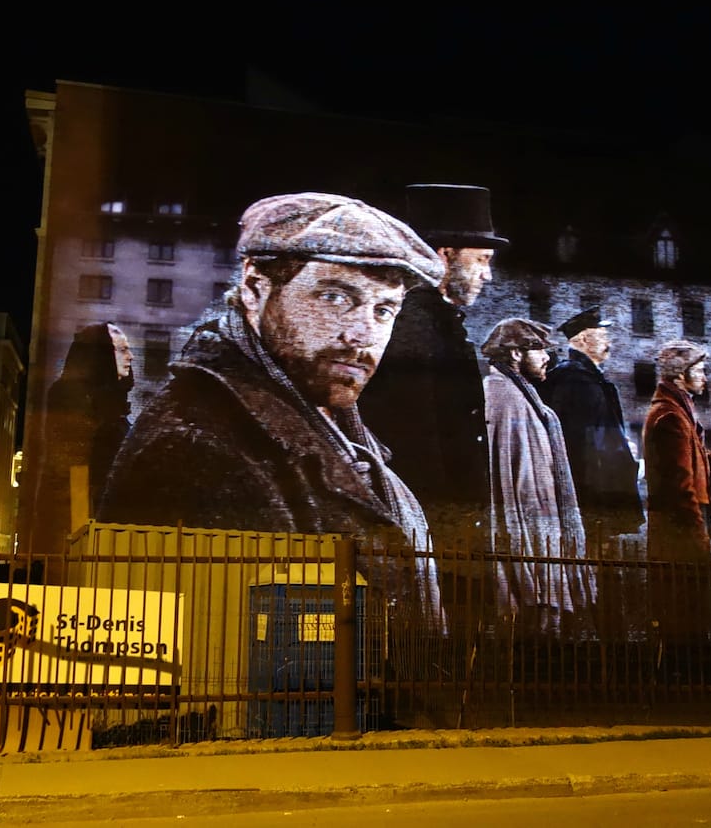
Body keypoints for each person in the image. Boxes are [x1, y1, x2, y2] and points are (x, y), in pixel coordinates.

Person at [97, 192, 447, 616]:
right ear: (254, 290)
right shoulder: (198, 446)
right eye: (335, 298)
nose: (362, 335)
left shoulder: (330, 424)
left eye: (384, 310)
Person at [358, 183, 507, 633]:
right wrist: (451, 530)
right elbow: (416, 439)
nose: (488, 276)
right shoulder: (416, 327)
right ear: (444, 255)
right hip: (435, 527)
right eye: (481, 260)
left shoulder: (430, 321)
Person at [479, 317, 592, 637]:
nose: (547, 358)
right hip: (524, 523)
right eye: (539, 350)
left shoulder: (523, 394)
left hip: (540, 520)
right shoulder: (500, 394)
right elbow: (503, 467)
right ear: (515, 354)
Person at [538, 305, 644, 553]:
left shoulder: (590, 377)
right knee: (595, 554)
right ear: (584, 339)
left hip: (602, 488)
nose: (608, 341)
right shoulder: (575, 380)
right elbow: (579, 444)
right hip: (593, 492)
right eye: (601, 334)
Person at [642, 340, 711, 650]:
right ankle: (685, 663)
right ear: (679, 376)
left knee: (688, 600)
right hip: (679, 526)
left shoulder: (679, 410)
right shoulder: (670, 416)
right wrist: (697, 529)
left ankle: (687, 656)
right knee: (682, 601)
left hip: (681, 522)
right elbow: (679, 483)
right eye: (698, 371)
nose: (704, 378)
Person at [35, 322, 135, 548]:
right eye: (121, 350)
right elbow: (73, 468)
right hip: (79, 526)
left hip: (104, 524)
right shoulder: (70, 395)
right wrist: (81, 536)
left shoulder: (115, 404)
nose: (130, 357)